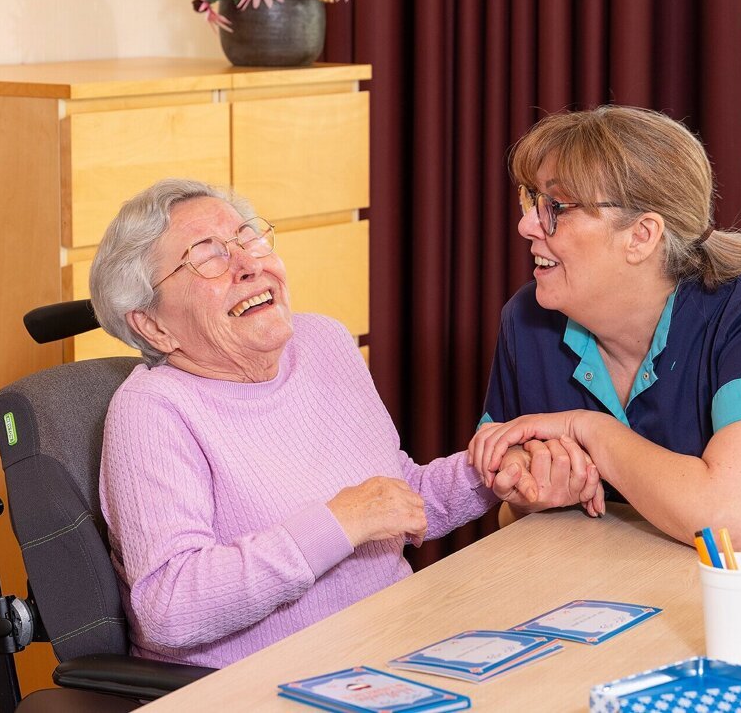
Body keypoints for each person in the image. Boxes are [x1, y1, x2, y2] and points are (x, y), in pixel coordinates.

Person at [89, 179, 602, 668]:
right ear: (153, 325)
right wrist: (339, 522)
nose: (247, 265)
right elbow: (169, 607)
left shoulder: (323, 343)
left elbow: (395, 497)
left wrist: (495, 472)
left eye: (248, 239)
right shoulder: (153, 411)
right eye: (207, 257)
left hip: (390, 648)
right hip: (262, 683)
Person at [469, 106, 741, 547]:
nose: (526, 225)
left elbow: (729, 523)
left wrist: (588, 428)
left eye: (556, 207)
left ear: (642, 236)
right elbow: (511, 517)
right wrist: (533, 495)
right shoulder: (528, 321)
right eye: (531, 200)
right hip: (626, 588)